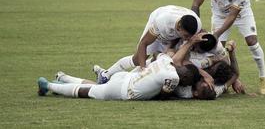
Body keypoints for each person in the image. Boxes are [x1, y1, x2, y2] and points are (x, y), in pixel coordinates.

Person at [191, 0, 265, 94]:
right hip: (219, 14)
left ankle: (263, 77)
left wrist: (216, 34)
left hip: (242, 13)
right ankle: (224, 80)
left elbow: (232, 16)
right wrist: (195, 30)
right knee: (218, 50)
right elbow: (195, 4)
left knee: (252, 41)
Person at [95, 5, 202, 84]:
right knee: (138, 59)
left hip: (174, 30)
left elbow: (187, 39)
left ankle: (126, 79)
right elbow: (144, 43)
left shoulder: (196, 25)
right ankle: (106, 74)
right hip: (158, 23)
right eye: (186, 35)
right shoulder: (162, 21)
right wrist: (143, 70)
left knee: (170, 59)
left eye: (190, 36)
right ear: (179, 27)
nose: (188, 39)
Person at [38, 54, 201, 100]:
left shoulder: (166, 60)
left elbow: (158, 54)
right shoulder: (174, 79)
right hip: (125, 90)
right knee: (86, 92)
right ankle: (49, 86)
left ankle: (63, 77)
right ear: (185, 79)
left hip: (126, 76)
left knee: (95, 87)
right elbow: (163, 97)